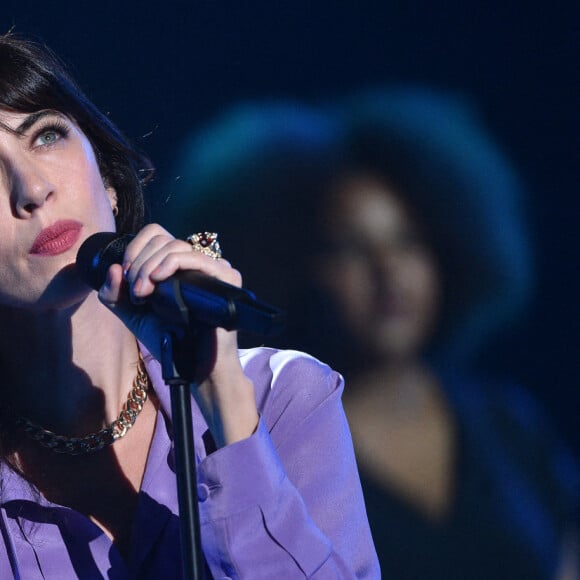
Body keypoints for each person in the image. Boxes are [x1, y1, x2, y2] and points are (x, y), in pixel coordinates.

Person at [0, 33, 380, 579]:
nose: (31, 188)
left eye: (46, 135)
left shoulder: (285, 399)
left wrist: (222, 396)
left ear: (107, 179)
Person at [162, 89, 580, 579]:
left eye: (409, 241)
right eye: (351, 248)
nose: (390, 271)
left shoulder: (507, 425)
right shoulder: (266, 443)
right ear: (291, 265)